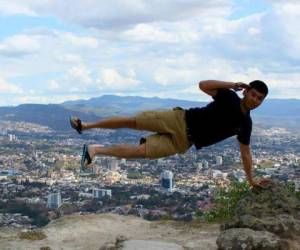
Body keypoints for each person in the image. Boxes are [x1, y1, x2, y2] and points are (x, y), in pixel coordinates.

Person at [70, 80, 269, 187]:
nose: (255, 100)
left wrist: (251, 180)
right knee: (134, 122)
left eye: (260, 99)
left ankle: (96, 151)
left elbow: (245, 153)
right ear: (246, 91)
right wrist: (232, 84)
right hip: (180, 120)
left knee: (141, 152)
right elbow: (203, 85)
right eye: (253, 94)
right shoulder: (230, 97)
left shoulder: (245, 124)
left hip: (185, 142)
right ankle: (86, 126)